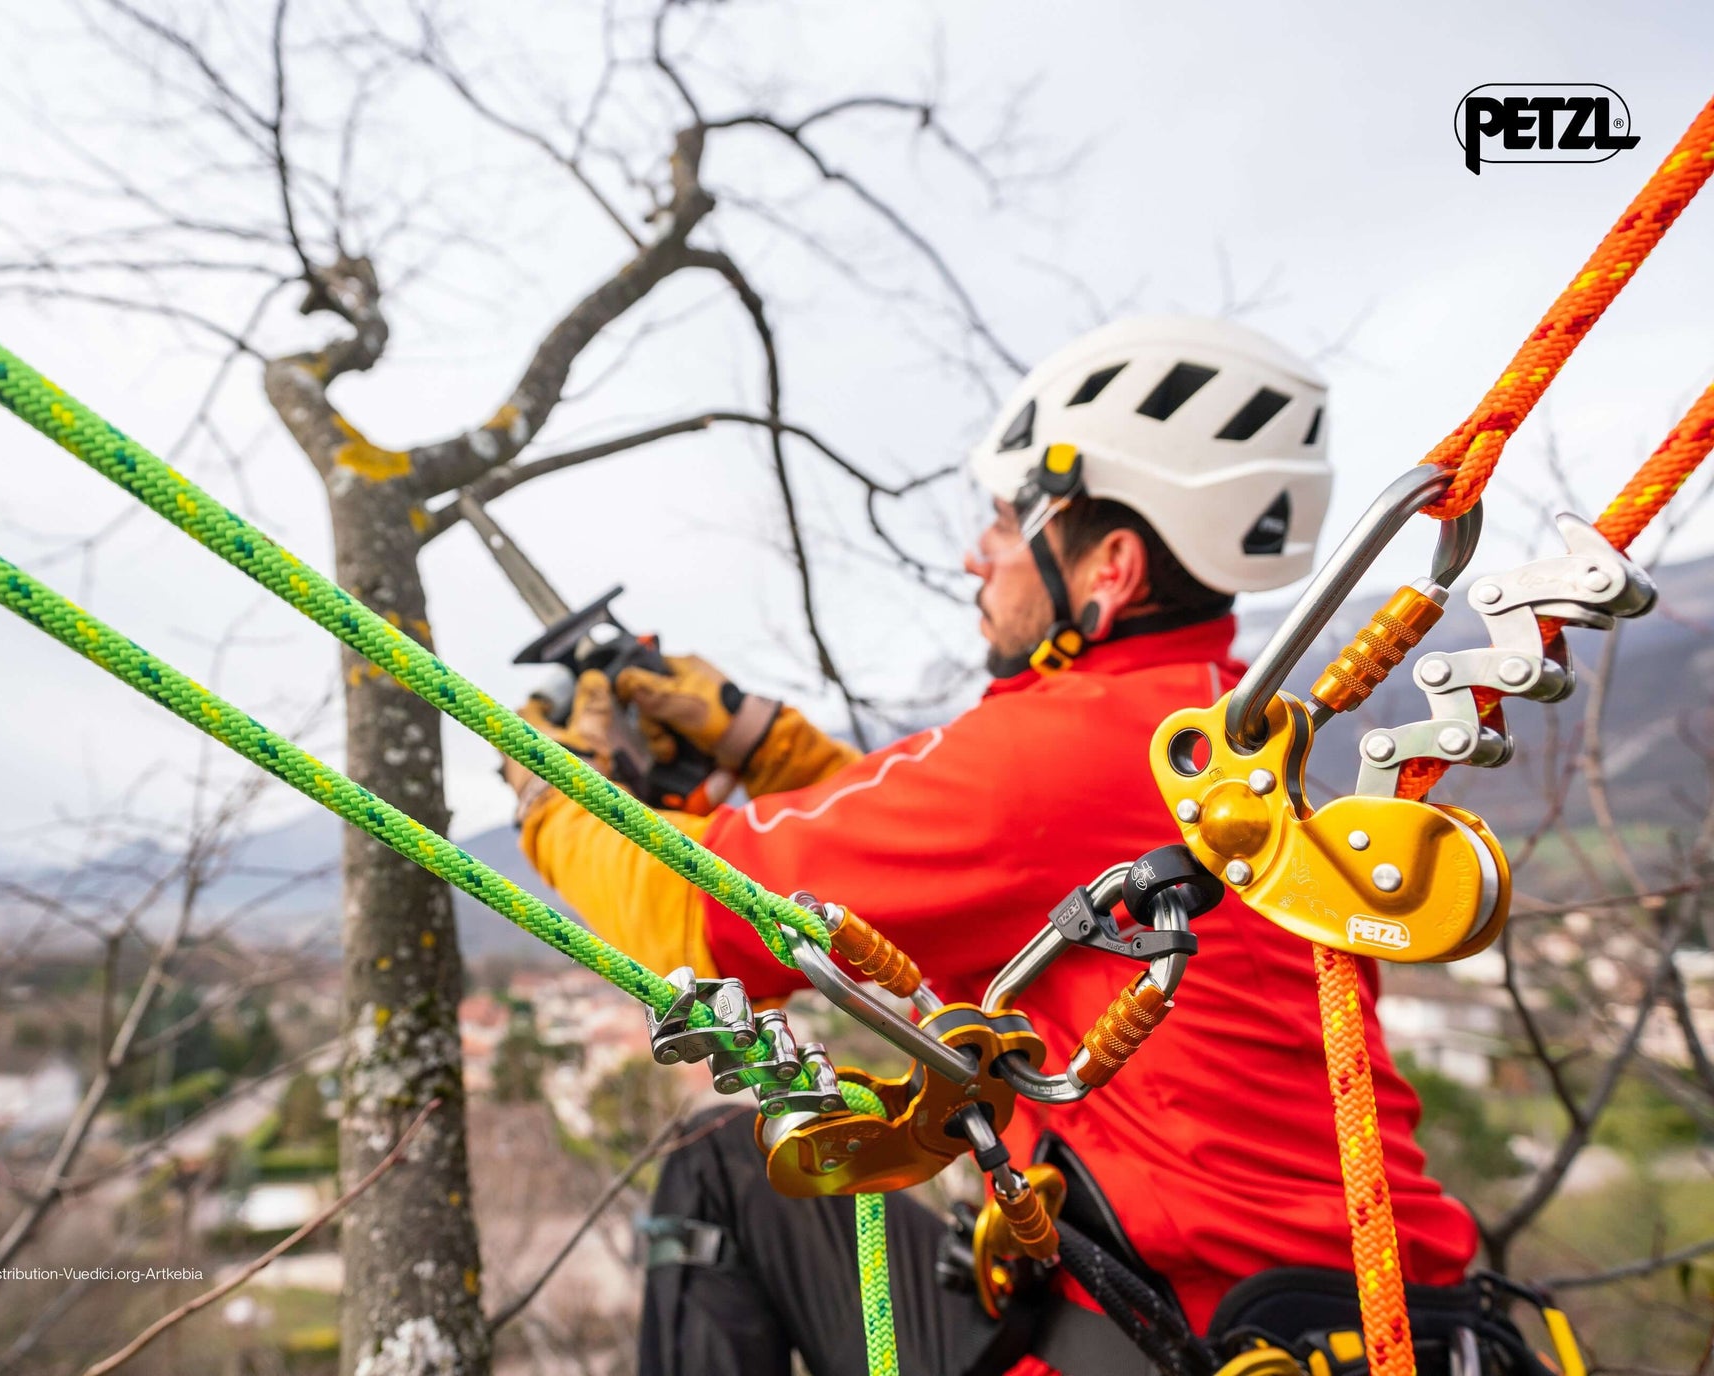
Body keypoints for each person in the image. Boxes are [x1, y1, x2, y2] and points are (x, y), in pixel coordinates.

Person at [502, 317, 1480, 1376]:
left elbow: (701, 906)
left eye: (1013, 521)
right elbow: (951, 861)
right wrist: (762, 741)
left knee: (722, 1173)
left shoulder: (1066, 751)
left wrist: (550, 790)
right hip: (1319, 1317)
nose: (979, 551)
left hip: (1168, 1336)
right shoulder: (1194, 736)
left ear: (1109, 564)